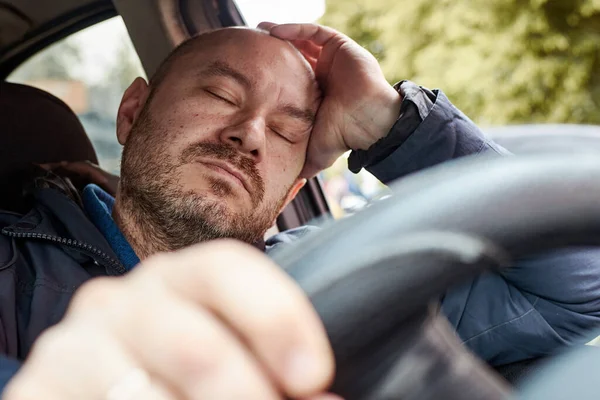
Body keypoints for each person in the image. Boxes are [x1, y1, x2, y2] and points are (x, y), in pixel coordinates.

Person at [1, 22, 600, 399]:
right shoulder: (10, 271)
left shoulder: (339, 278)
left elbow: (575, 290)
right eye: (220, 95)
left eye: (289, 132)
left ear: (292, 192)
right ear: (131, 112)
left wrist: (386, 124)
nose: (251, 134)